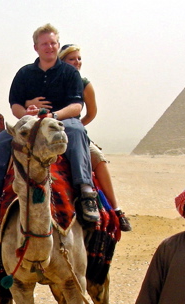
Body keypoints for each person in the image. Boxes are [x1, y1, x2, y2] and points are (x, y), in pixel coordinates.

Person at [0, 23, 99, 232]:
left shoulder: (70, 73)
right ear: (36, 47)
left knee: (77, 131)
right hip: (31, 121)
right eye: (45, 44)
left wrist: (52, 115)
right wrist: (26, 113)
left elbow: (76, 106)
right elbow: (15, 104)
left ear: (58, 45)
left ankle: (86, 191)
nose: (50, 47)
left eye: (53, 43)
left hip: (60, 120)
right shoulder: (25, 73)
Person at [58, 44, 132, 231]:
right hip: (49, 131)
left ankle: (116, 209)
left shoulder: (84, 84)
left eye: (79, 58)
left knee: (98, 158)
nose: (77, 62)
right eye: (71, 59)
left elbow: (91, 113)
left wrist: (78, 127)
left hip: (73, 131)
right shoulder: (51, 79)